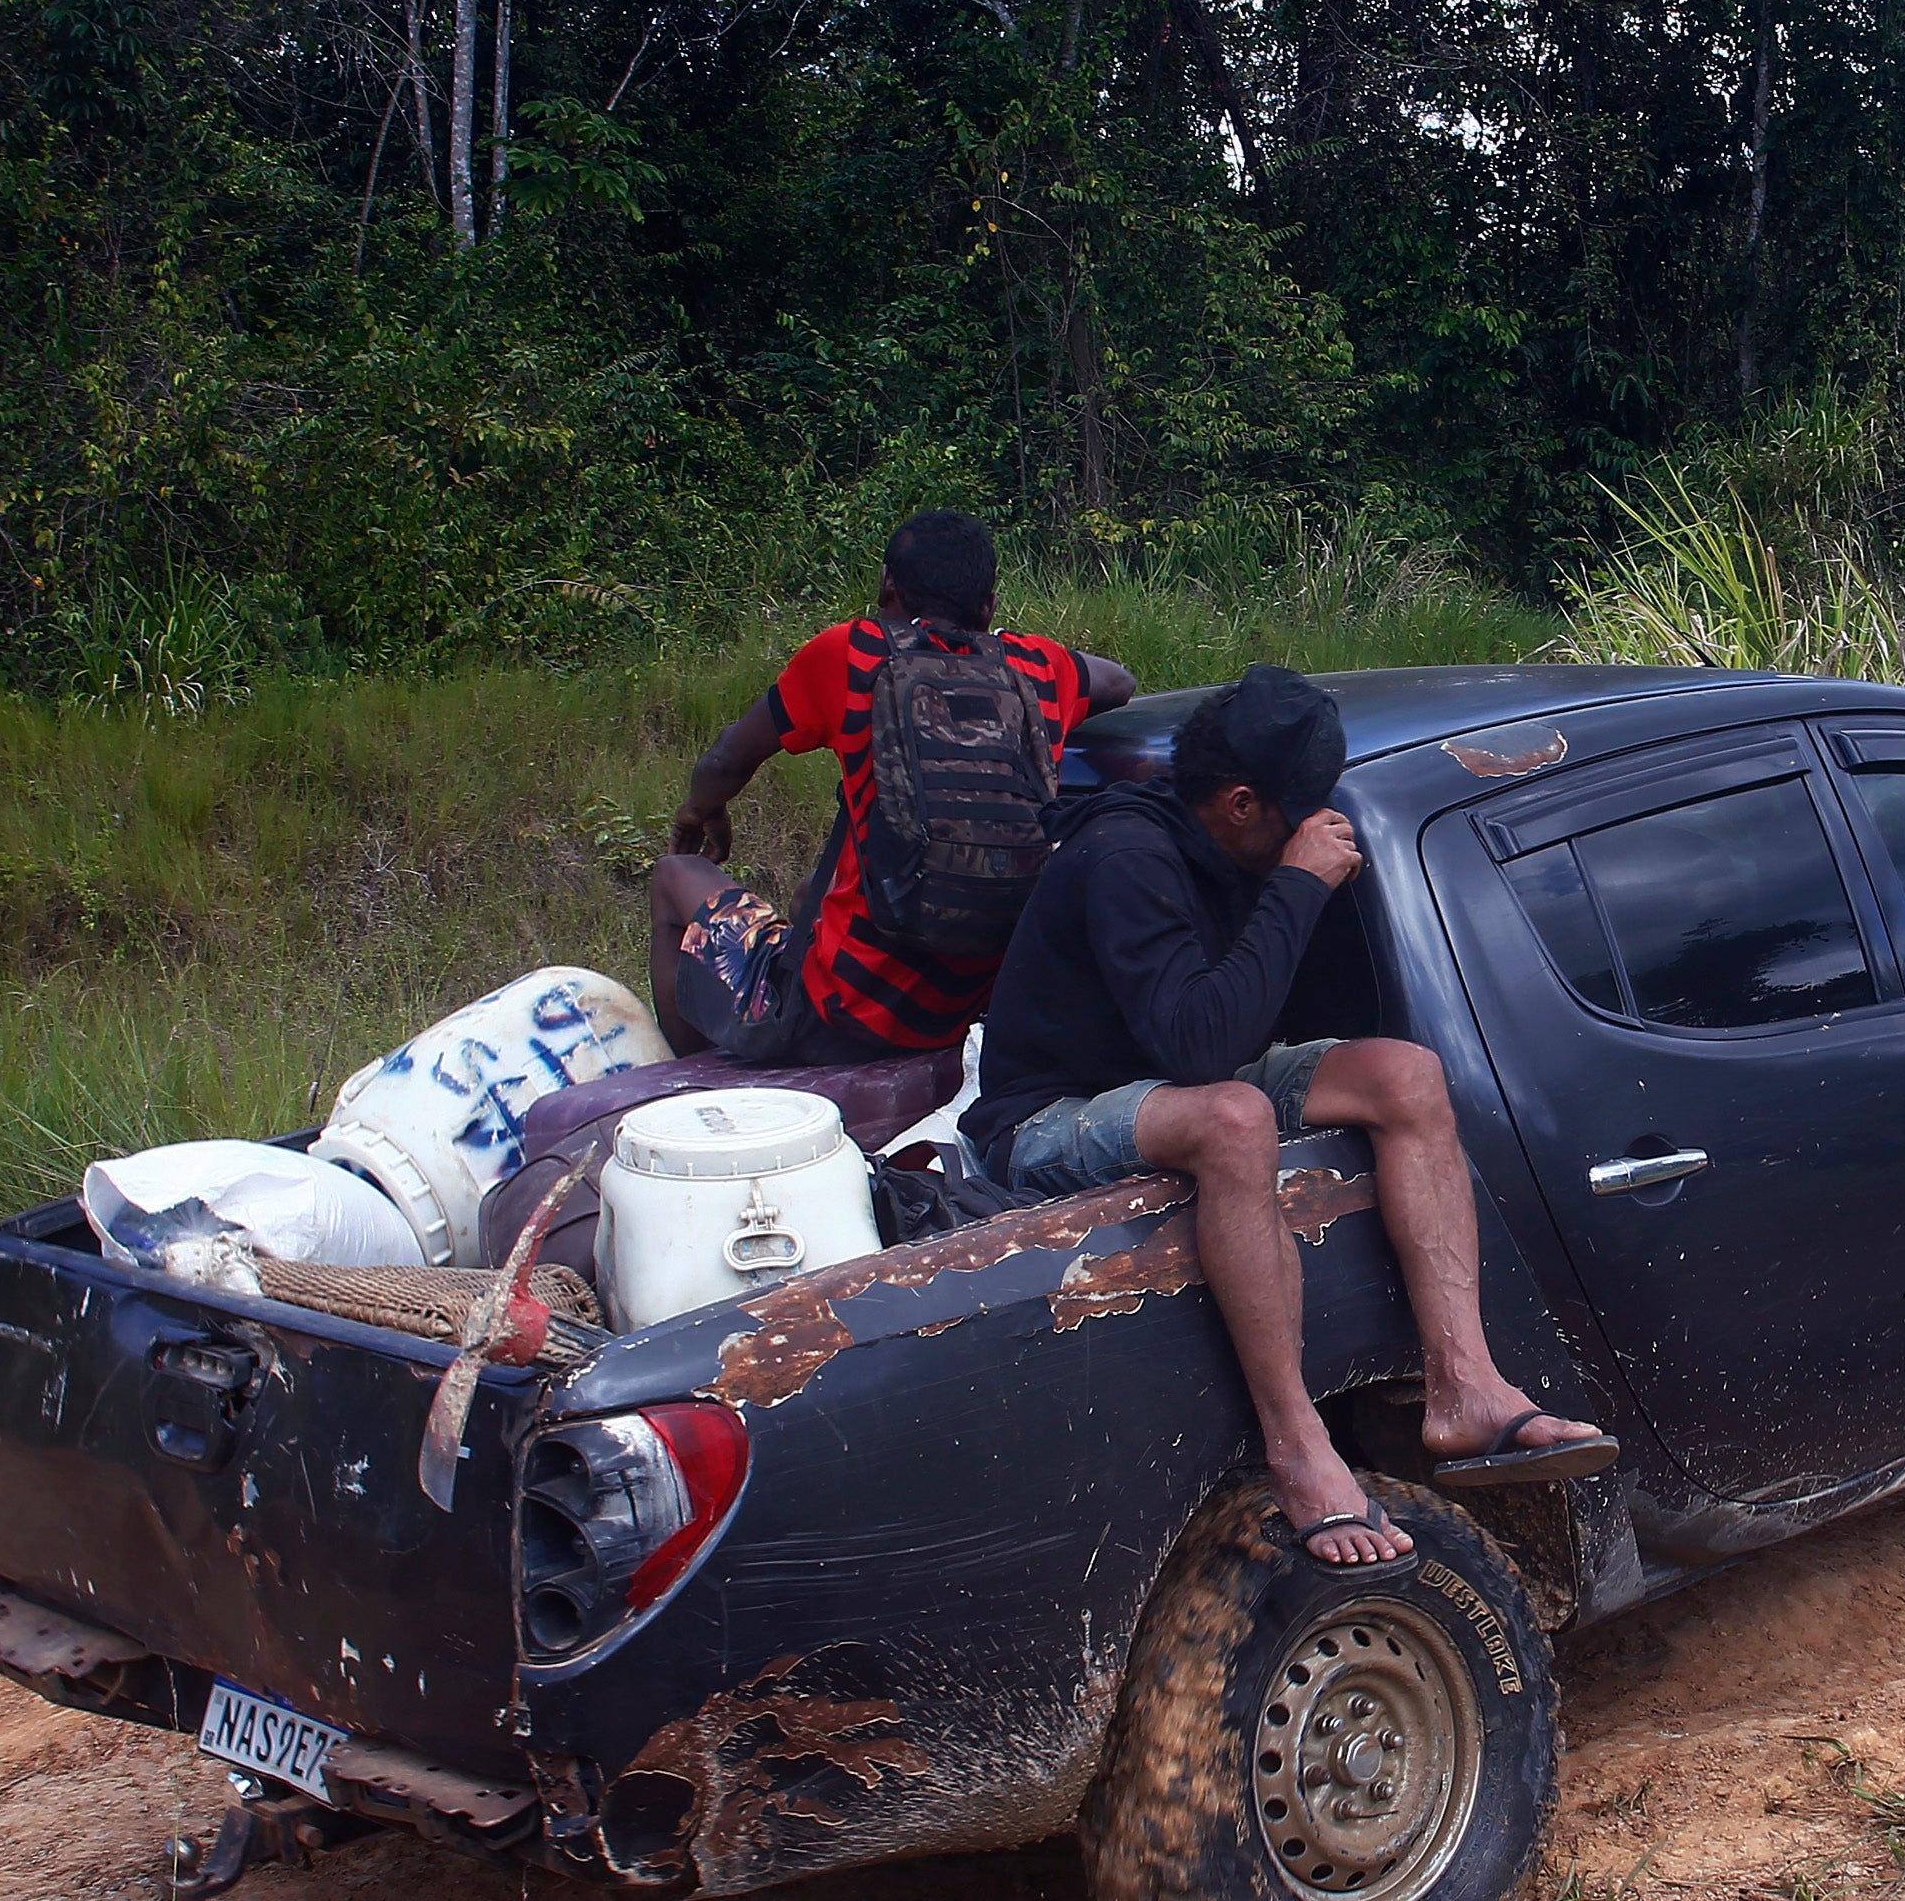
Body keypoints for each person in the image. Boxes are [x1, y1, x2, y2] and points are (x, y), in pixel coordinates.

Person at [968, 663, 1616, 1565]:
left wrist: (1304, 883)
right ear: (1240, 803)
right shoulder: (1127, 858)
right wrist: (1300, 885)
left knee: (1406, 1075)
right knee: (1233, 1117)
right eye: (1301, 806)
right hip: (1047, 1116)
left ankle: (1464, 1386)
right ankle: (1297, 1443)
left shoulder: (1232, 845)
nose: (1317, 824)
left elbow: (1242, 1023)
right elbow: (1200, 1048)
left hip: (1175, 1073)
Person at [649, 510, 1135, 1064]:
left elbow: (725, 759)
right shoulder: (1036, 667)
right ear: (989, 602)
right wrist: (998, 643)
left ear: (886, 585)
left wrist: (698, 813)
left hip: (844, 1015)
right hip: (973, 1005)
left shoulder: (853, 654)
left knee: (674, 878)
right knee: (815, 887)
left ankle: (690, 1076)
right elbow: (1119, 680)